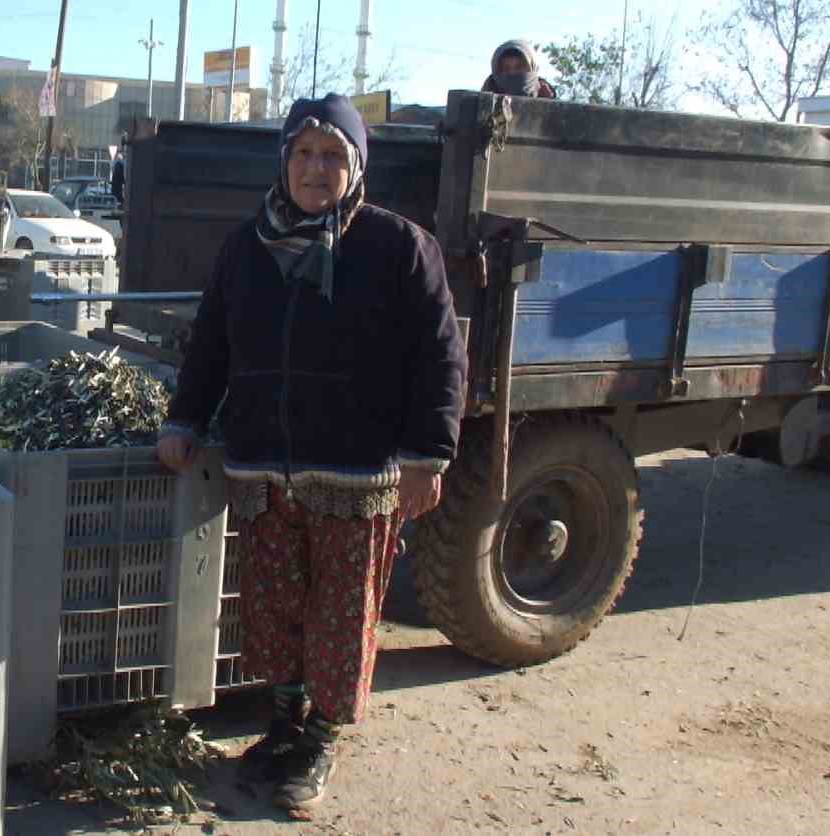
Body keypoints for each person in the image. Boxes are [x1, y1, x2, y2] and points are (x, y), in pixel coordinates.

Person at [157, 94, 467, 811]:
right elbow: (212, 345)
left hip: (355, 471)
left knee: (339, 615)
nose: (315, 168)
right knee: (272, 607)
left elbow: (441, 358)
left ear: (357, 167)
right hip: (264, 466)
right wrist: (185, 419)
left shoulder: (397, 247)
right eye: (303, 153)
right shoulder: (247, 246)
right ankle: (284, 724)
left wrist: (428, 455)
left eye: (333, 155)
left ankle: (319, 742)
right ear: (284, 161)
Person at [481, 39, 558, 98]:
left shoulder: (545, 94)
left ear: (531, 68)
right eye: (507, 69)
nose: (512, 73)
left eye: (519, 67)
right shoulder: (486, 96)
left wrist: (546, 104)